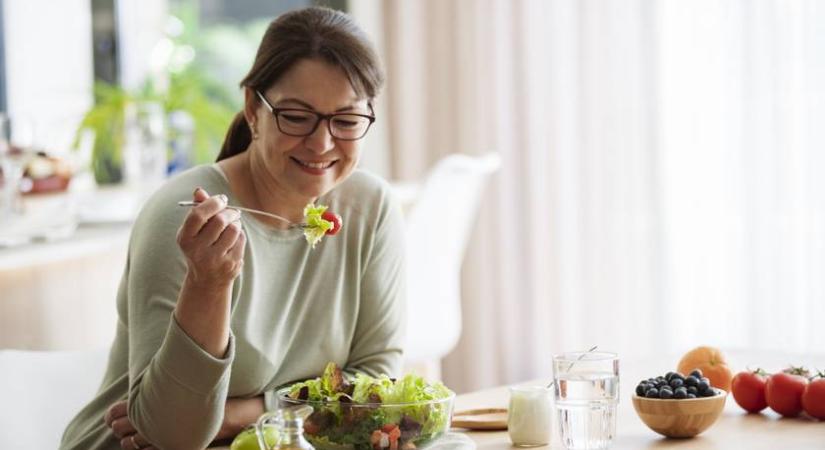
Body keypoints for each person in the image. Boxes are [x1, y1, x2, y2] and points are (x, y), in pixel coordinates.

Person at [60, 7, 405, 450]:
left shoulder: (368, 208)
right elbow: (172, 435)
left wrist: (252, 412)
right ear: (253, 109)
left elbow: (377, 384)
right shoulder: (187, 218)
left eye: (346, 120)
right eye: (296, 117)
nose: (321, 144)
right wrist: (210, 282)